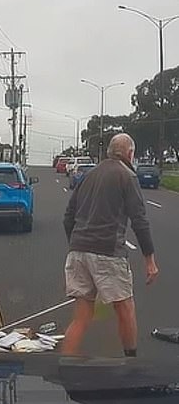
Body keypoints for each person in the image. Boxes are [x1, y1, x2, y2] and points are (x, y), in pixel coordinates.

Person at [62, 133, 159, 356]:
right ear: (130, 154)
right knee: (125, 308)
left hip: (78, 252)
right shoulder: (127, 176)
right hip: (107, 253)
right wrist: (150, 261)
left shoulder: (89, 174)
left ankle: (64, 366)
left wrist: (77, 244)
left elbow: (68, 217)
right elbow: (139, 220)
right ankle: (131, 362)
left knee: (81, 317)